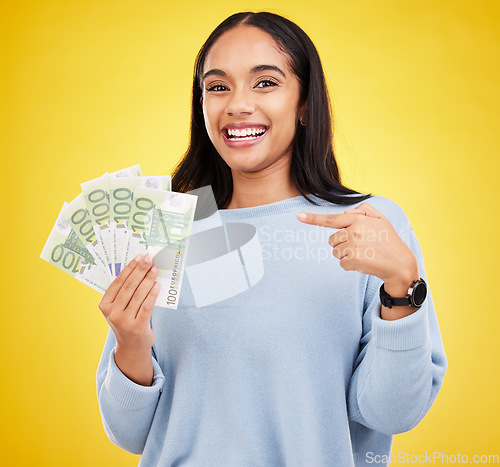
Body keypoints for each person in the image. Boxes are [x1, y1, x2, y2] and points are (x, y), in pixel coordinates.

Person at [96, 11, 446, 467]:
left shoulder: (367, 225)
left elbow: (392, 412)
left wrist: (403, 288)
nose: (237, 105)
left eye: (265, 83)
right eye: (217, 87)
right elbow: (131, 435)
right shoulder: (170, 227)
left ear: (304, 104)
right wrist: (130, 341)